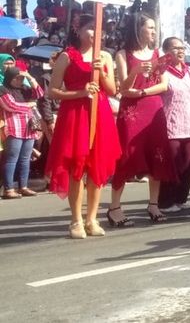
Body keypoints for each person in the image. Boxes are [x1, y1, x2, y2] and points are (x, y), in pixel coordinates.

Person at [45, 14, 122, 239]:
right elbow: (53, 91)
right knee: (77, 168)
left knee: (96, 166)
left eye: (100, 31)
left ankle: (92, 218)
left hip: (101, 114)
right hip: (75, 115)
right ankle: (76, 219)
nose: (97, 34)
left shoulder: (106, 56)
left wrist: (103, 72)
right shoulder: (67, 56)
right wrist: (81, 92)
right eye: (91, 28)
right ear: (78, 31)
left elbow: (111, 91)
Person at [108, 14, 171, 226]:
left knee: (157, 155)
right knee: (126, 156)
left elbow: (164, 85)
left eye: (154, 28)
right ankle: (114, 207)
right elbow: (124, 88)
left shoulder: (157, 53)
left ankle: (154, 204)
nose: (153, 31)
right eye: (149, 27)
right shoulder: (123, 54)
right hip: (131, 111)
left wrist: (143, 93)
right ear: (138, 29)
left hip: (153, 108)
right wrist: (136, 71)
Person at [158, 38, 190, 212]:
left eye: (182, 48)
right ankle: (165, 201)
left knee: (188, 163)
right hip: (170, 123)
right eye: (175, 48)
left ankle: (181, 198)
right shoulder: (162, 72)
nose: (180, 51)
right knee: (172, 164)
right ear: (166, 52)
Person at [0, 68, 44, 199]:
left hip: (29, 128)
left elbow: (39, 93)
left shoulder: (24, 89)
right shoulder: (3, 89)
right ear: (9, 78)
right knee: (12, 158)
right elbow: (10, 106)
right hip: (14, 127)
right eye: (16, 78)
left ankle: (23, 186)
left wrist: (30, 78)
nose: (19, 80)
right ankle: (8, 189)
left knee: (25, 159)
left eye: (20, 78)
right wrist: (29, 105)